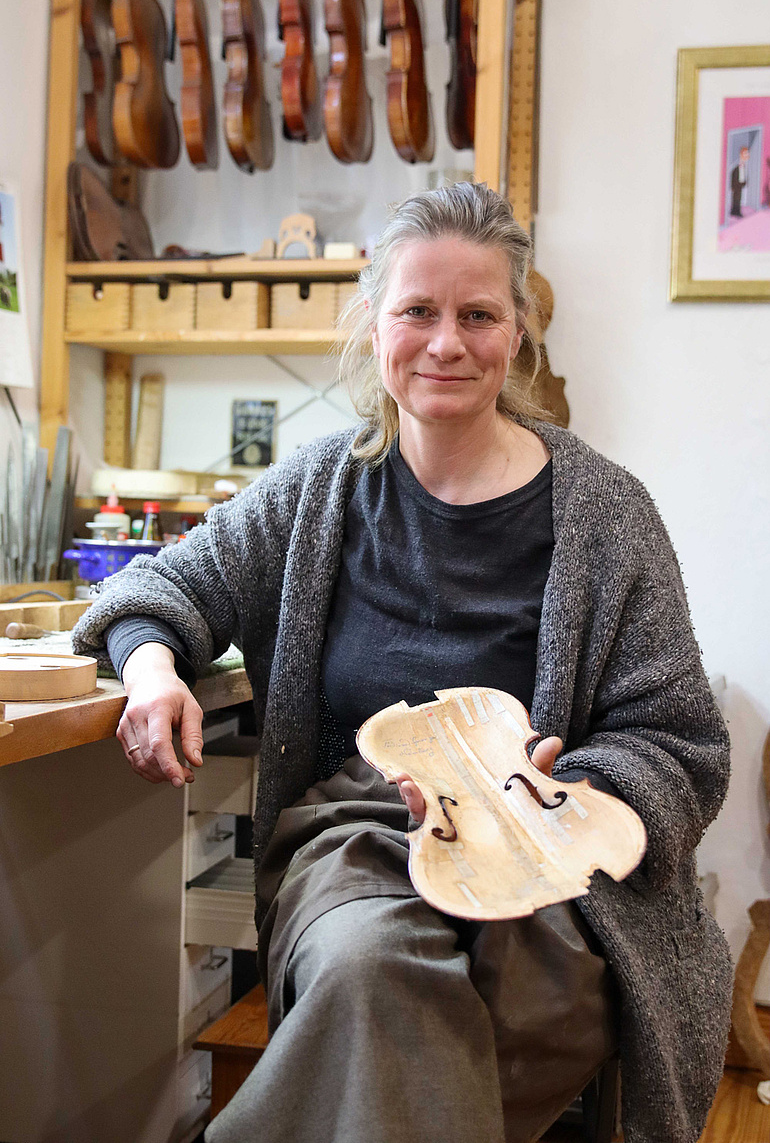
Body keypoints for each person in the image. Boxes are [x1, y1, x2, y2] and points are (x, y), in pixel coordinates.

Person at [72, 182, 732, 1143]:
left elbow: (678, 740)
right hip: (359, 834)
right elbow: (155, 591)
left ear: (518, 334)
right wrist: (151, 670)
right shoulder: (319, 489)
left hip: (544, 859)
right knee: (372, 975)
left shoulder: (607, 512)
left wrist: (558, 800)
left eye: (478, 314)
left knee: (544, 1001)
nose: (446, 342)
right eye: (418, 311)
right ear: (375, 326)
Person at [730, 145, 750, 217]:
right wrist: (733, 185)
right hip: (736, 185)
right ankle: (735, 211)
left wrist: (744, 182)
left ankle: (736, 211)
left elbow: (743, 175)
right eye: (745, 153)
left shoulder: (743, 166)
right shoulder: (736, 167)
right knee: (736, 198)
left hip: (740, 185)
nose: (747, 155)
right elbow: (734, 175)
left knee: (739, 198)